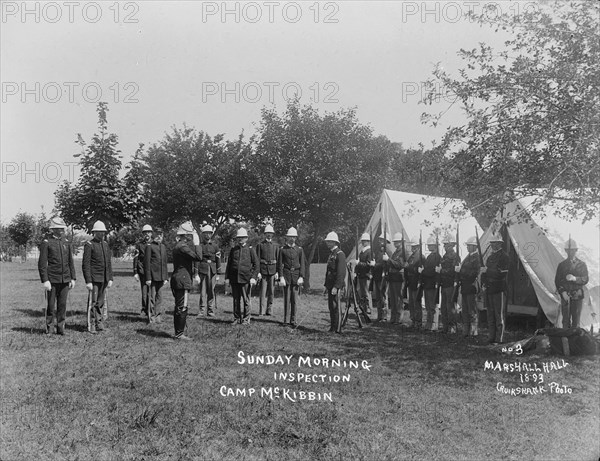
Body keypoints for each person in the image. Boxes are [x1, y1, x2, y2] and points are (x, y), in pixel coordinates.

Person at [38, 216, 76, 335]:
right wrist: (45, 280)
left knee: (62, 305)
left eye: (62, 228)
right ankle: (49, 328)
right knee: (50, 305)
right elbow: (42, 263)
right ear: (53, 230)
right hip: (52, 279)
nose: (62, 231)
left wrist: (73, 278)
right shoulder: (47, 242)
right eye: (59, 229)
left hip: (65, 279)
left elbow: (70, 262)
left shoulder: (66, 242)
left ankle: (61, 328)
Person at [171, 222, 203, 340]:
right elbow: (198, 257)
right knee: (182, 306)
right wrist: (197, 244)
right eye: (190, 235)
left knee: (179, 305)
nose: (191, 237)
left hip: (178, 278)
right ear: (186, 235)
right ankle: (179, 334)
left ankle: (179, 331)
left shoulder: (179, 246)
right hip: (182, 279)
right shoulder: (182, 247)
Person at [82, 220, 113, 334]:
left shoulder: (105, 245)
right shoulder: (89, 245)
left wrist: (110, 278)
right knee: (93, 303)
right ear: (94, 232)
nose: (102, 234)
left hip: (104, 279)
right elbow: (86, 264)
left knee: (101, 302)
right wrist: (88, 281)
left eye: (103, 232)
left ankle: (100, 323)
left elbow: (108, 263)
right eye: (99, 232)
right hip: (94, 279)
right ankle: (92, 325)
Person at [225, 228, 258, 325]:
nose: (240, 239)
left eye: (242, 237)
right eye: (239, 237)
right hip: (234, 278)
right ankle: (236, 318)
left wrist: (253, 277)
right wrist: (227, 278)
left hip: (245, 278)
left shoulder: (250, 250)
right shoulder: (233, 250)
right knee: (236, 300)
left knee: (246, 300)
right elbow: (229, 264)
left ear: (246, 238)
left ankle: (246, 319)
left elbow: (256, 265)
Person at [480, 232, 509, 344]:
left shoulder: (504, 257)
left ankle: (499, 338)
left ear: (499, 244)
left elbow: (502, 274)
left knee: (499, 314)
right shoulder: (490, 257)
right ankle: (491, 337)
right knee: (490, 314)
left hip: (499, 288)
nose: (492, 245)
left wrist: (487, 271)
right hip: (489, 287)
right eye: (491, 243)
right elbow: (484, 273)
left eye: (494, 243)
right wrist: (483, 282)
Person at [555, 238, 589, 328]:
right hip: (565, 295)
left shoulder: (581, 265)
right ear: (565, 251)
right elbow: (557, 281)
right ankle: (566, 341)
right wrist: (562, 292)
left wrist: (575, 278)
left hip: (577, 295)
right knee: (565, 321)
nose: (570, 252)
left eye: (572, 250)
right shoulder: (562, 265)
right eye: (568, 250)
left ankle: (575, 342)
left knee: (576, 322)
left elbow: (585, 279)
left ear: (576, 250)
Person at [277, 227, 305, 326]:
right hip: (286, 276)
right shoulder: (282, 250)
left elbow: (302, 264)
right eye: (290, 237)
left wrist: (301, 276)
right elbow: (280, 264)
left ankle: (293, 320)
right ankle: (286, 320)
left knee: (294, 300)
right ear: (287, 238)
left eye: (294, 237)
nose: (292, 238)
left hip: (296, 277)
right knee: (287, 299)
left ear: (296, 238)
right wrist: (281, 277)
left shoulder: (299, 250)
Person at [194, 224, 221, 317]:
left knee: (211, 291)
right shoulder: (200, 246)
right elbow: (197, 260)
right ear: (202, 234)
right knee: (202, 291)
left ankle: (210, 310)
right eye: (205, 233)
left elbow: (218, 260)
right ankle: (201, 311)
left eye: (209, 233)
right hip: (203, 269)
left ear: (211, 234)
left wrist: (218, 273)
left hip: (212, 270)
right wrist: (196, 273)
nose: (207, 235)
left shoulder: (215, 246)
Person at [456, 236, 480, 337]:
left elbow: (473, 273)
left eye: (469, 246)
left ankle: (473, 331)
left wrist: (461, 271)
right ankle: (466, 329)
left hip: (471, 286)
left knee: (472, 310)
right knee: (465, 310)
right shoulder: (467, 257)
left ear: (474, 247)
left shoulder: (477, 258)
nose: (467, 247)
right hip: (465, 286)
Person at [144, 228, 169, 324]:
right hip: (152, 276)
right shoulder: (149, 246)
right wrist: (148, 278)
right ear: (153, 235)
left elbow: (164, 263)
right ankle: (152, 317)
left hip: (161, 277)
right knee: (151, 297)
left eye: (161, 235)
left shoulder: (163, 247)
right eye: (157, 234)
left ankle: (158, 316)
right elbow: (147, 263)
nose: (159, 236)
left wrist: (166, 277)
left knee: (159, 297)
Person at [324, 231, 346, 333]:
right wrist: (326, 285)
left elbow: (341, 273)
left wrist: (336, 286)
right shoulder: (331, 254)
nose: (327, 243)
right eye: (327, 241)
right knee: (331, 307)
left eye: (329, 241)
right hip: (330, 284)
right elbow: (328, 271)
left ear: (334, 242)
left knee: (336, 306)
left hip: (335, 285)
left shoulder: (340, 254)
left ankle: (337, 328)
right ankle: (332, 327)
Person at [256, 224, 280, 316]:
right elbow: (257, 259)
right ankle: (261, 311)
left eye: (270, 233)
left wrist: (277, 271)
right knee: (262, 292)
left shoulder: (276, 245)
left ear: (273, 234)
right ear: (265, 234)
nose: (269, 235)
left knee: (271, 292)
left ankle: (269, 310)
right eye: (267, 233)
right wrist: (258, 272)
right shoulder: (260, 245)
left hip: (273, 271)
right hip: (263, 271)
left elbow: (278, 259)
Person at [439, 235, 461, 333]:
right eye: (444, 245)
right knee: (443, 307)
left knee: (450, 307)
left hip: (450, 284)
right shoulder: (445, 256)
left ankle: (452, 327)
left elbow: (452, 271)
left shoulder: (455, 257)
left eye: (446, 245)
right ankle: (445, 326)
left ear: (452, 245)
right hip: (444, 284)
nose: (444, 247)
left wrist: (441, 271)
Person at [419, 235, 441, 331]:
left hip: (432, 284)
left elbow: (432, 271)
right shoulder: (430, 256)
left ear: (434, 246)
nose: (428, 246)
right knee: (428, 305)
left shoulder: (437, 257)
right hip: (428, 284)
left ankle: (433, 324)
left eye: (430, 245)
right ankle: (429, 323)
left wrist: (423, 271)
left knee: (432, 306)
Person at [386, 232, 407, 324]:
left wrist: (388, 260)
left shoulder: (403, 252)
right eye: (395, 242)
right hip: (393, 277)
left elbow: (399, 265)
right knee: (393, 299)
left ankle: (398, 318)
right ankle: (393, 317)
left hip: (398, 278)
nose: (396, 243)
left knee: (398, 299)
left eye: (398, 242)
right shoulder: (396, 252)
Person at [133, 224, 153, 317]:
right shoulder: (139, 244)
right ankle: (144, 309)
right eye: (145, 232)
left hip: (153, 271)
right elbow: (136, 259)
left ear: (151, 233)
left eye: (149, 232)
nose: (147, 234)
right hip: (142, 271)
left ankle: (152, 309)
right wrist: (135, 272)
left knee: (152, 292)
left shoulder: (154, 244)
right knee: (144, 292)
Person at [371, 233, 390, 322]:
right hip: (377, 275)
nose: (380, 242)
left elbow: (385, 264)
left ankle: (384, 316)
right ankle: (380, 316)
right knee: (379, 297)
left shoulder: (388, 251)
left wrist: (376, 265)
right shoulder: (378, 251)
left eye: (382, 240)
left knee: (383, 296)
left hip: (384, 276)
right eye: (380, 240)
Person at [405, 239, 422, 330]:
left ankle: (418, 321)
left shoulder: (421, 257)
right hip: (410, 281)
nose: (413, 248)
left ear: (418, 247)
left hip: (416, 281)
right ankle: (413, 320)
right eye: (412, 247)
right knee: (411, 302)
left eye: (415, 247)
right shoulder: (411, 257)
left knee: (417, 303)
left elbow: (421, 271)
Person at [354, 233, 373, 315]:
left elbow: (369, 264)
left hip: (366, 274)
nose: (363, 242)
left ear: (368, 241)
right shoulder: (362, 251)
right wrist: (356, 271)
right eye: (362, 241)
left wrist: (359, 264)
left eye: (365, 241)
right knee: (362, 293)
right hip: (361, 274)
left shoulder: (369, 252)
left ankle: (369, 308)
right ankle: (364, 308)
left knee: (367, 293)